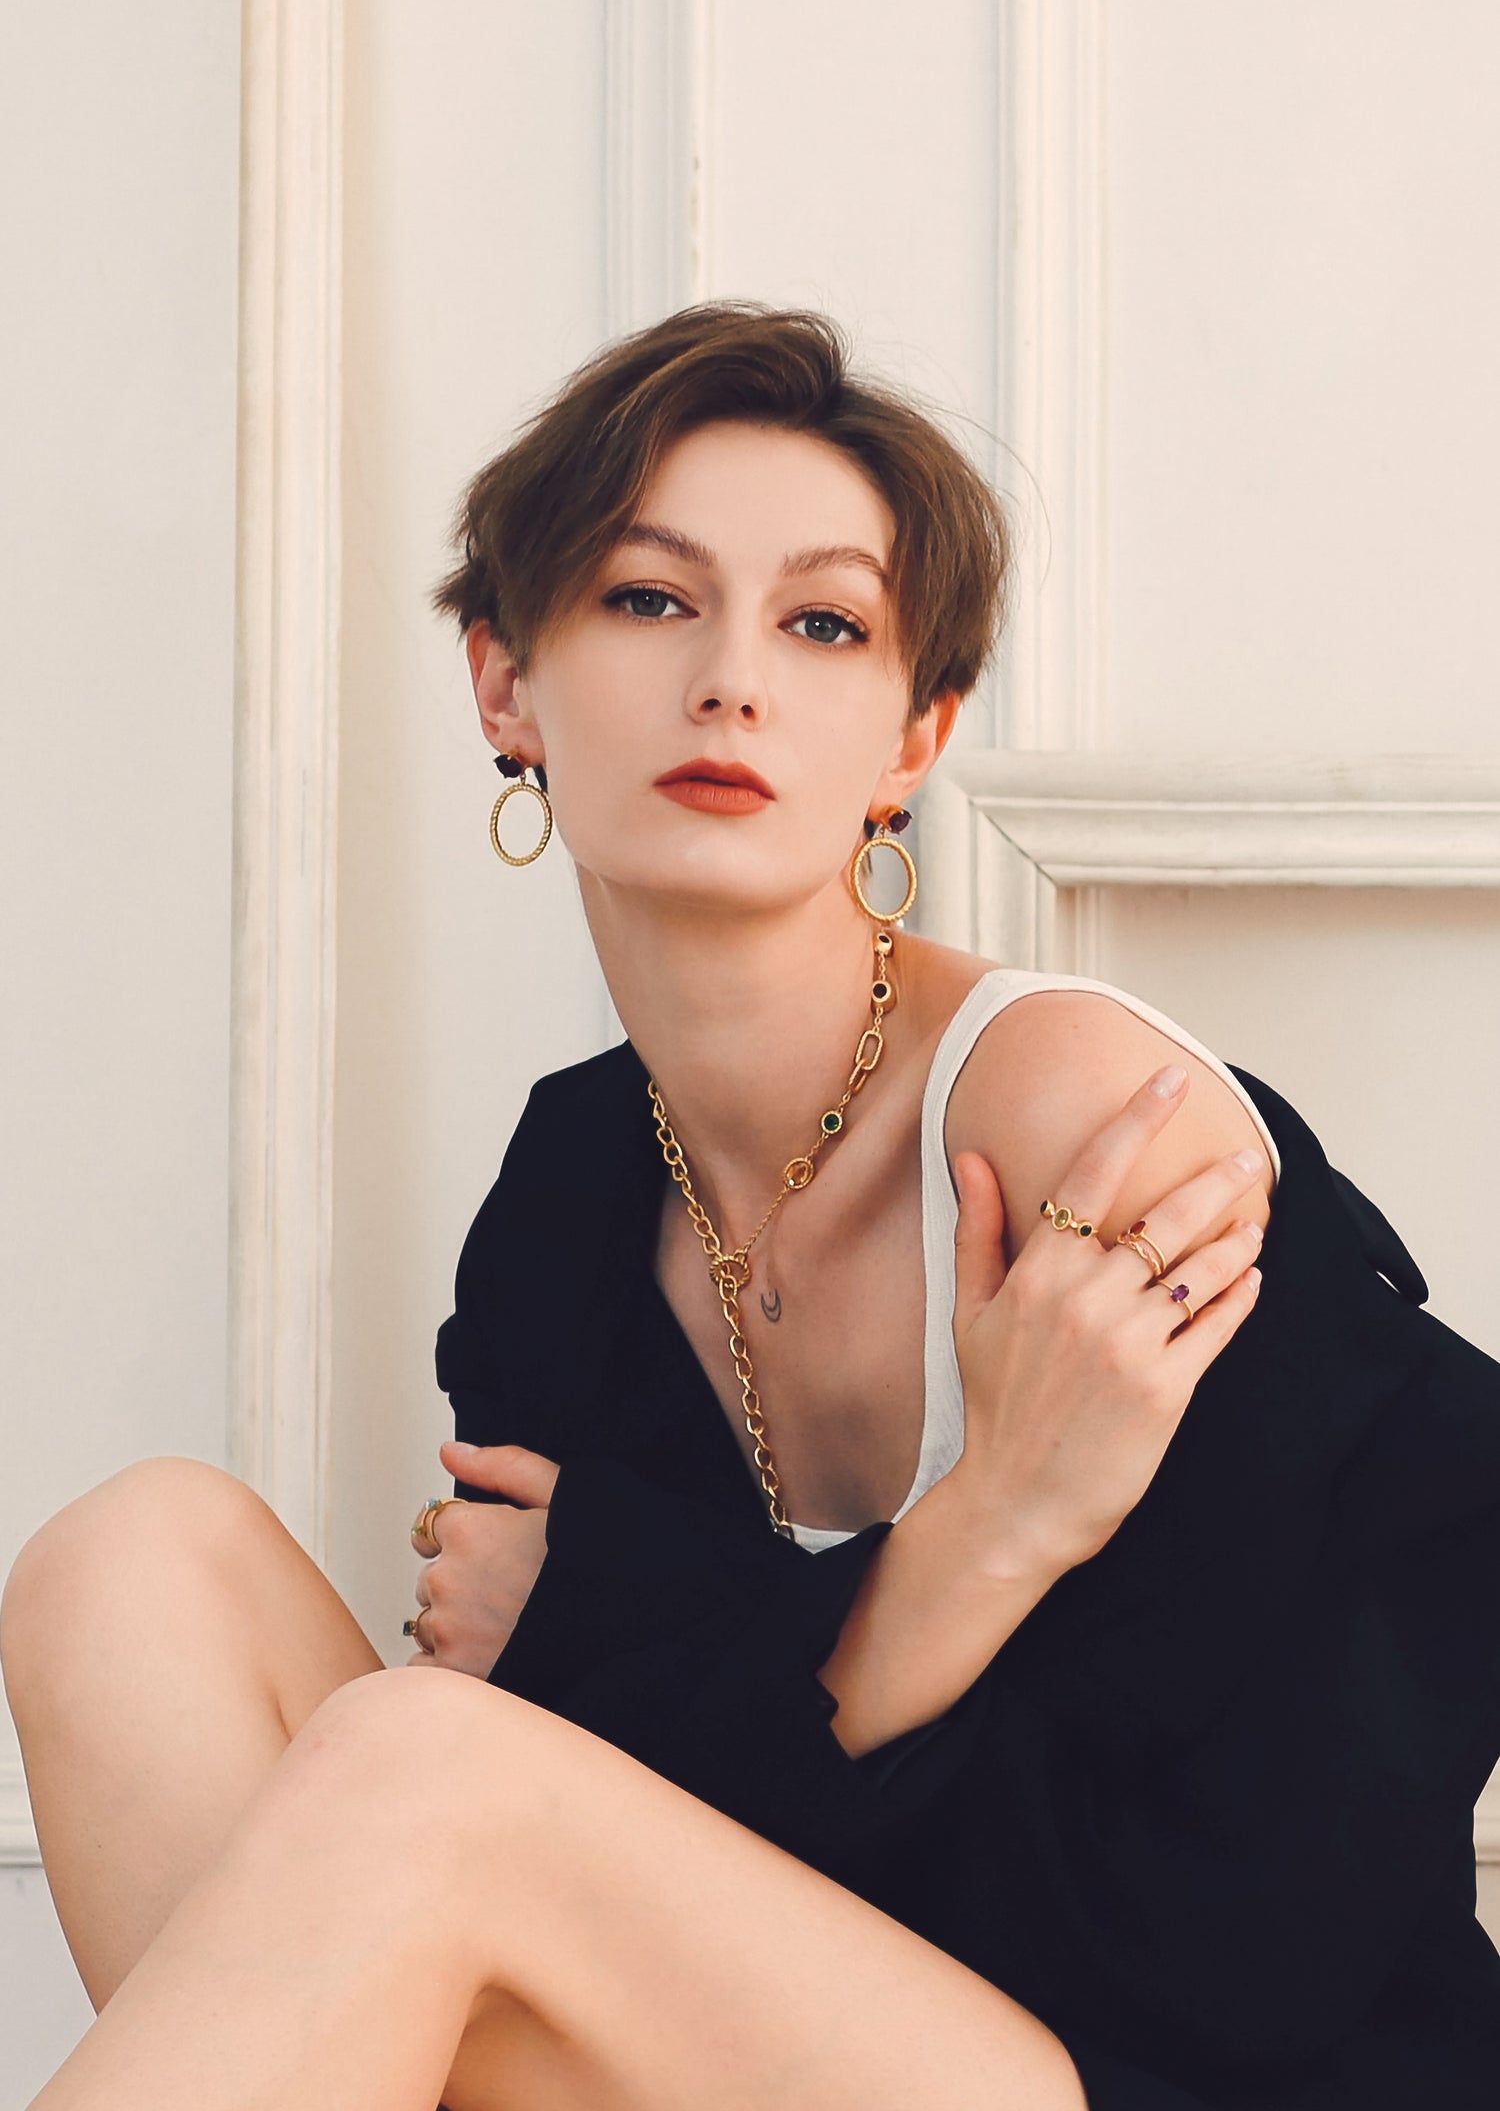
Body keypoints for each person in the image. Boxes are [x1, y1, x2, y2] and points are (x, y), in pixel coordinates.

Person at [3, 303, 1497, 2111]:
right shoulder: (569, 1212)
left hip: (1191, 2074)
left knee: (426, 1770)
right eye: (648, 599)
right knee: (131, 1564)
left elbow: (1261, 1916)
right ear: (504, 685)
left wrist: (699, 1637)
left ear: (911, 736)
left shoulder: (1090, 1134)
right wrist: (971, 1551)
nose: (730, 681)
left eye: (822, 623)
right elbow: (607, 1835)